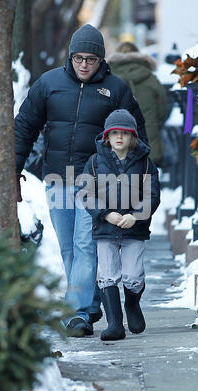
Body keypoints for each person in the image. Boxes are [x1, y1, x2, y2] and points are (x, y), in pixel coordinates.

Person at [15, 24, 149, 337]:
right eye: (79, 58)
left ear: (101, 60)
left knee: (86, 245)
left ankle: (75, 313)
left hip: (96, 184)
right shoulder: (49, 83)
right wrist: (14, 171)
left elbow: (138, 136)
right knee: (67, 249)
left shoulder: (116, 90)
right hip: (56, 178)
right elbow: (23, 128)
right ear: (70, 57)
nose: (84, 64)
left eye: (91, 59)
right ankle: (89, 306)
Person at [82, 109, 160, 340]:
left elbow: (152, 194)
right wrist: (105, 214)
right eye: (114, 133)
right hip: (105, 229)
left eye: (124, 133)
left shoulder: (145, 163)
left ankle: (133, 304)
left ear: (133, 137)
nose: (119, 137)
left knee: (133, 275)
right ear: (106, 136)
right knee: (108, 274)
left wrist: (136, 215)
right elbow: (86, 192)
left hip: (134, 229)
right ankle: (115, 324)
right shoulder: (95, 162)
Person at [108, 42, 167, 166]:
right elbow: (163, 109)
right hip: (147, 139)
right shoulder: (150, 78)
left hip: (116, 140)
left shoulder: (108, 80)